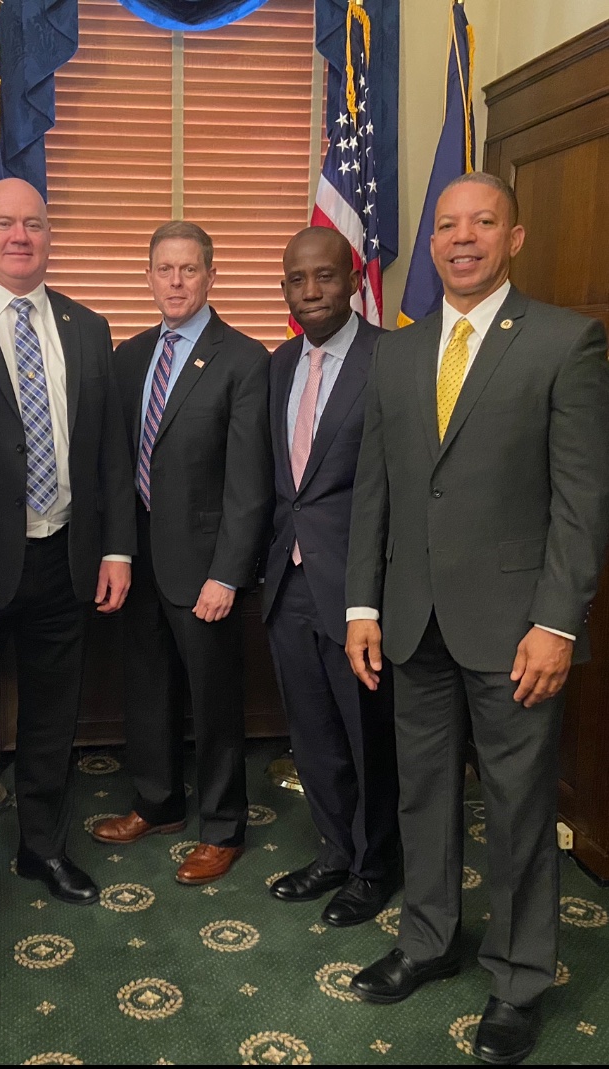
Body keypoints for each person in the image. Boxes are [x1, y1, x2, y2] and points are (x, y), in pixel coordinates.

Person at [344, 173, 609, 1065]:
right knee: (422, 792)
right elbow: (374, 489)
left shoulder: (568, 342)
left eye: (482, 222)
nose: (463, 238)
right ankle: (427, 939)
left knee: (519, 807)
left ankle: (520, 977)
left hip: (516, 629)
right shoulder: (397, 352)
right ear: (431, 244)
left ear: (515, 237)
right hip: (411, 621)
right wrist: (361, 603)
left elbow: (581, 498)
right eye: (449, 225)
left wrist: (559, 623)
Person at [0, 178, 136, 945]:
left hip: (66, 554)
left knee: (54, 721)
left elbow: (110, 447)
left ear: (50, 235)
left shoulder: (85, 323)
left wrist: (115, 545)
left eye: (34, 224)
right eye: (5, 222)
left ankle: (44, 848)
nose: (21, 236)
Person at [92, 222, 273, 884]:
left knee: (214, 698)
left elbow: (251, 485)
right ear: (148, 276)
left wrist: (228, 572)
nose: (175, 281)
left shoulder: (245, 359)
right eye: (163, 269)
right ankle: (158, 801)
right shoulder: (129, 355)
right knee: (147, 688)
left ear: (210, 276)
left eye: (188, 269)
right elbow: (118, 464)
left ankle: (223, 827)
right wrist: (115, 550)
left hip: (204, 566)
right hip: (136, 560)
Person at [262, 227, 399, 926]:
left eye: (324, 277)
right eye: (296, 280)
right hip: (288, 584)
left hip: (358, 588)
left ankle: (376, 866)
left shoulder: (391, 358)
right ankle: (335, 851)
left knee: (367, 735)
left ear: (352, 280)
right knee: (312, 733)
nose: (310, 292)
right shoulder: (279, 363)